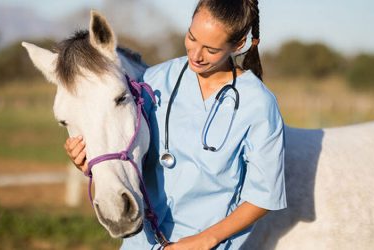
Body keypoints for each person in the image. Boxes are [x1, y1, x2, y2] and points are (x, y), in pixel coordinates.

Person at [65, 0, 287, 249]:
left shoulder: (258, 104)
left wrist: (204, 241)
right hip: (142, 242)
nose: (195, 55)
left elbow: (264, 196)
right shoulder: (152, 81)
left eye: (211, 49)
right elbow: (124, 145)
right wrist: (88, 161)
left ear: (238, 44)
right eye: (191, 38)